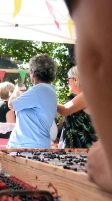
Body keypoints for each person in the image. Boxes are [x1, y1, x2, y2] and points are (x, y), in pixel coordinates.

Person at [64, 0, 112, 193]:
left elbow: (98, 56)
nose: (67, 82)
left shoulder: (84, 95)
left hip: (87, 148)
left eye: (69, 79)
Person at [0, 54, 57, 148]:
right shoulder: (50, 91)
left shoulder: (38, 90)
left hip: (27, 147)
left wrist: (17, 88)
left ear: (33, 74)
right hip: (36, 144)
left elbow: (11, 104)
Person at [57, 66, 97, 148]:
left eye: (68, 79)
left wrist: (46, 96)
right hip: (78, 150)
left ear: (75, 79)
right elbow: (58, 112)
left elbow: (64, 111)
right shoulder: (80, 97)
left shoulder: (87, 95)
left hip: (86, 150)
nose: (67, 82)